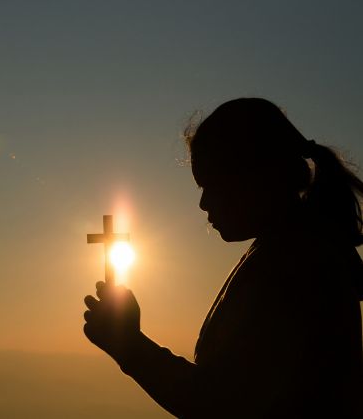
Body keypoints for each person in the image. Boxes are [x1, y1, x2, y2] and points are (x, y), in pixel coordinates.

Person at [83, 98, 363, 418]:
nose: (203, 204)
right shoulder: (291, 251)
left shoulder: (295, 267)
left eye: (211, 185)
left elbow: (224, 402)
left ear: (254, 177)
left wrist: (130, 346)